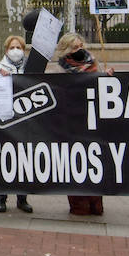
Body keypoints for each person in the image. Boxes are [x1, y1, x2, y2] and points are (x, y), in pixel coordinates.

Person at [47, 33, 113, 216]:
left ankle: (96, 201)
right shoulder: (58, 70)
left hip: (92, 122)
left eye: (81, 45)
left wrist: (106, 77)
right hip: (70, 124)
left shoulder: (93, 64)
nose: (80, 50)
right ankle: (78, 202)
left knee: (94, 161)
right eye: (75, 48)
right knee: (75, 163)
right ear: (66, 50)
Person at [0, 35, 31, 214]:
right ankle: (2, 197)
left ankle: (22, 198)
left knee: (24, 160)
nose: (16, 50)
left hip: (26, 121)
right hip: (6, 122)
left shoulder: (30, 69)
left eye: (19, 47)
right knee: (4, 160)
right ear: (6, 50)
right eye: (12, 47)